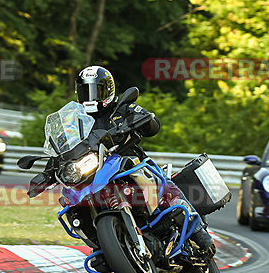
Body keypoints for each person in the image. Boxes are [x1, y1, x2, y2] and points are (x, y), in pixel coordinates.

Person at [75, 65, 215, 257]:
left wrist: (144, 120)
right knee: (72, 200)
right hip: (97, 172)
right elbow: (67, 143)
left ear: (107, 90)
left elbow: (153, 124)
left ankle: (197, 228)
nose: (90, 96)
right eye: (85, 91)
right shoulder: (78, 120)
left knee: (164, 186)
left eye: (95, 90)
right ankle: (103, 245)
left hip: (131, 161)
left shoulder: (121, 108)